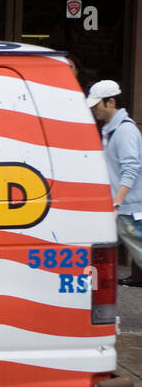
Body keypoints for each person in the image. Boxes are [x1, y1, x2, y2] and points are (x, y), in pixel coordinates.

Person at [86, 79, 142, 285]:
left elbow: (131, 168)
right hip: (122, 209)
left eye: (96, 105)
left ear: (110, 102)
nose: (93, 110)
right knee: (97, 252)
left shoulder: (125, 130)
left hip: (129, 210)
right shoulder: (111, 129)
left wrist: (116, 203)